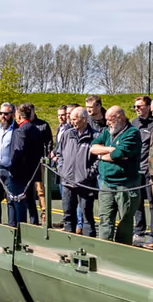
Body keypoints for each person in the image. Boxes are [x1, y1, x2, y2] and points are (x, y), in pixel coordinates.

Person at [90, 106, 142, 245]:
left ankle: (122, 250)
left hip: (125, 184)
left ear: (120, 117)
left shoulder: (132, 133)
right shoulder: (107, 132)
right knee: (104, 218)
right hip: (107, 183)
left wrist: (103, 155)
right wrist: (108, 150)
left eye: (109, 120)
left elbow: (120, 154)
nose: (107, 123)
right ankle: (104, 247)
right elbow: (93, 147)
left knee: (125, 220)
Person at [56, 107, 97, 237]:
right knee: (68, 215)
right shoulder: (68, 134)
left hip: (85, 184)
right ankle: (70, 248)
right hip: (67, 182)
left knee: (86, 217)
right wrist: (62, 170)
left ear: (84, 119)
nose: (71, 121)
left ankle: (88, 247)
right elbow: (59, 154)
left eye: (74, 119)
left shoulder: (95, 136)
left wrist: (88, 174)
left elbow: (99, 160)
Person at [10, 104, 45, 224]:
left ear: (18, 116)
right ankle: (34, 222)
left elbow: (17, 151)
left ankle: (20, 227)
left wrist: (12, 169)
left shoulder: (20, 131)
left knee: (19, 202)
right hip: (32, 171)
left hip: (20, 173)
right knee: (30, 200)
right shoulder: (36, 129)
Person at [132, 96, 153, 240]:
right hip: (135, 169)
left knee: (152, 203)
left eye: (139, 106)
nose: (137, 109)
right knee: (137, 202)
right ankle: (139, 230)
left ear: (147, 107)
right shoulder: (134, 123)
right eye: (135, 107)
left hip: (150, 170)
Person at [25, 104, 53, 221]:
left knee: (41, 191)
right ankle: (32, 217)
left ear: (33, 111)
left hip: (40, 162)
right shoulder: (23, 125)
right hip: (26, 162)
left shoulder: (43, 125)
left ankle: (44, 216)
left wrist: (47, 158)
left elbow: (49, 143)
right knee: (27, 191)